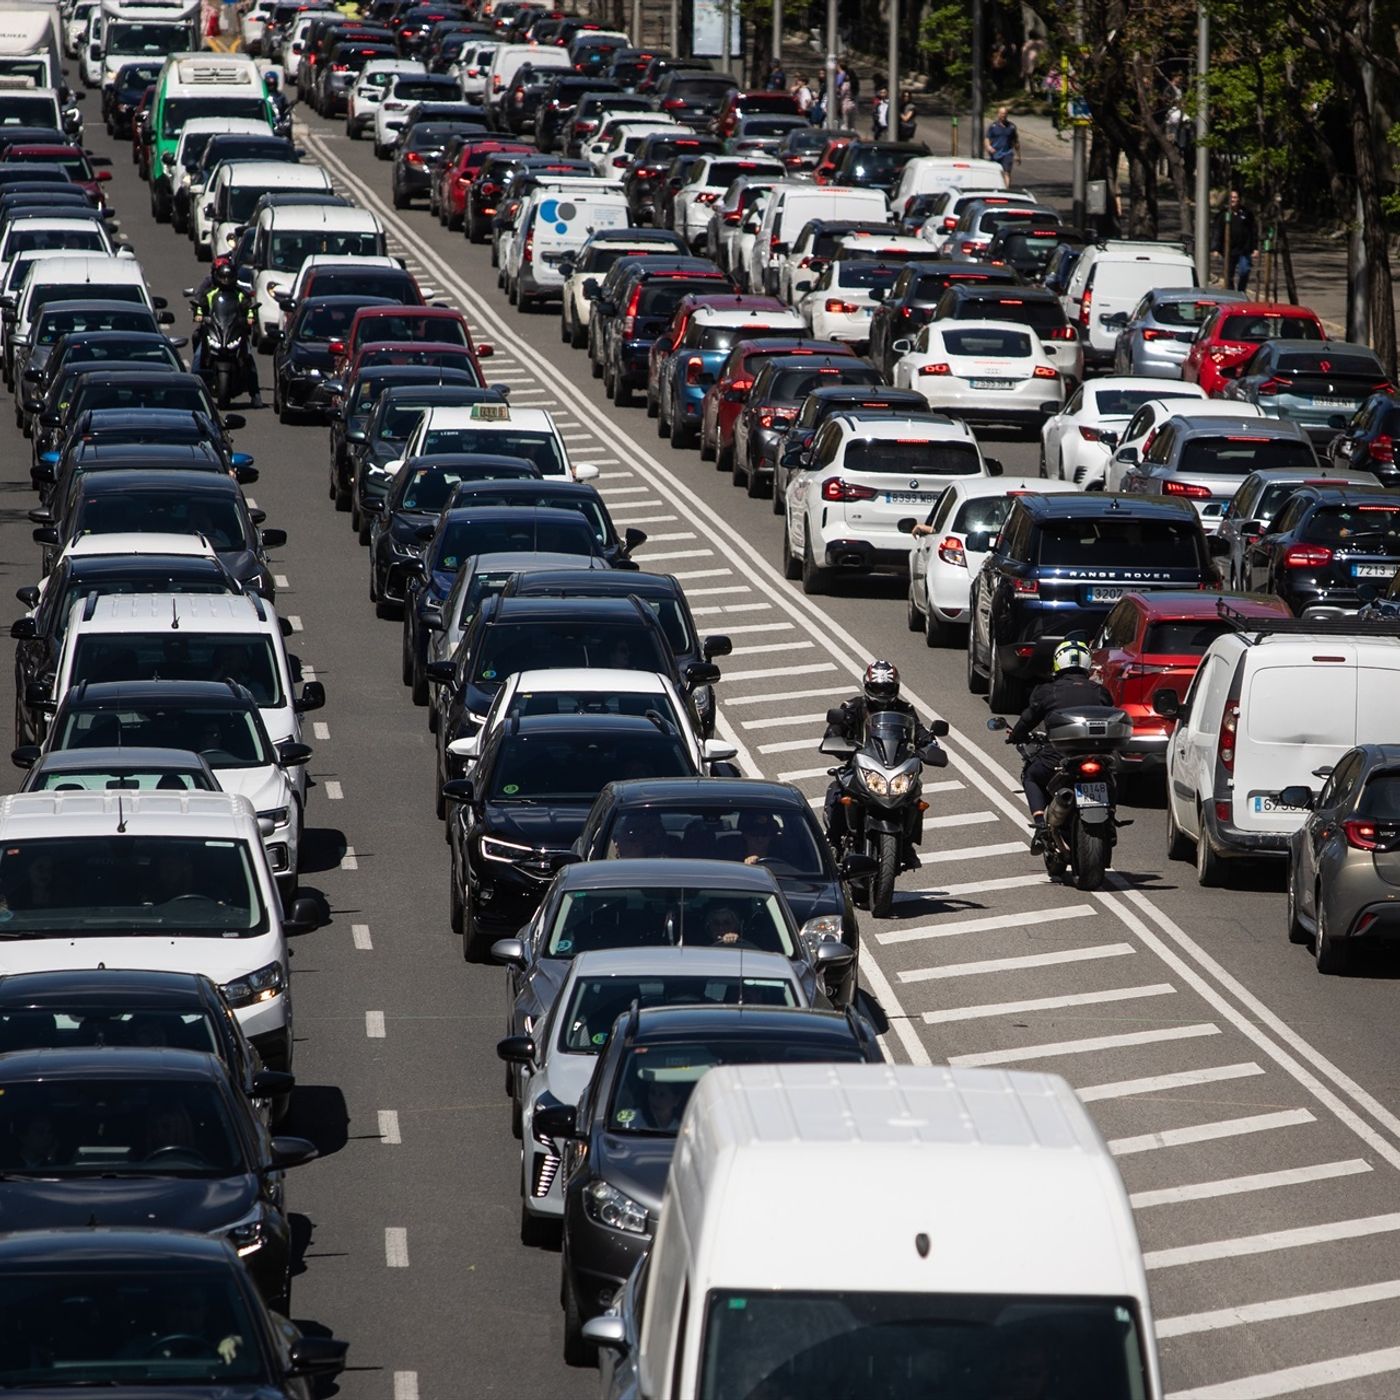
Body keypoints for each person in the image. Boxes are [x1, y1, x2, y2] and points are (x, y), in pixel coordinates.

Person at [1007, 640, 1113, 844]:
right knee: (1110, 777)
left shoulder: (1047, 691)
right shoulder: (1100, 692)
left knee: (1031, 776)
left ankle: (1040, 824)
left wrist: (1015, 736)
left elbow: (1028, 720)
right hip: (1097, 754)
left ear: (1058, 663)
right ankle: (1110, 815)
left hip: (1058, 756)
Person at [823, 661, 939, 845]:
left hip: (896, 764)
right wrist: (839, 741)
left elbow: (920, 731)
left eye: (887, 688)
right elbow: (834, 729)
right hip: (862, 763)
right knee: (838, 791)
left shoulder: (905, 710)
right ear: (867, 685)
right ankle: (832, 841)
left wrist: (930, 745)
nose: (883, 693)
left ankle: (907, 844)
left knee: (914, 797)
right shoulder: (853, 707)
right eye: (877, 688)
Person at [192, 261, 262, 408]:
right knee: (198, 354)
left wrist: (250, 317)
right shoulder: (211, 293)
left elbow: (249, 307)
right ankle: (194, 392)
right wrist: (199, 315)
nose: (226, 281)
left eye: (228, 277)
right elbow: (201, 305)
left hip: (235, 330)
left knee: (248, 358)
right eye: (223, 277)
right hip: (215, 329)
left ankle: (255, 394)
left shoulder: (241, 294)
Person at [1212, 189, 1258, 293]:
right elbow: (1217, 231)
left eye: (1235, 197)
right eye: (1231, 197)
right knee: (1228, 274)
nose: (1233, 200)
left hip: (1244, 250)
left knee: (1244, 270)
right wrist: (1215, 248)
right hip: (1228, 250)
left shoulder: (1246, 214)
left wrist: (1255, 248)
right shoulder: (1223, 214)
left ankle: (1241, 291)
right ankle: (1231, 293)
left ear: (1239, 199)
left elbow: (1253, 231)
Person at [985, 105, 1021, 176]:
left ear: (1007, 114)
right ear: (998, 114)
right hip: (995, 154)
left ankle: (1006, 187)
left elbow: (1016, 141)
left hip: (1007, 153)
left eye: (1004, 113)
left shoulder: (1012, 127)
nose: (1003, 115)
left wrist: (1018, 155)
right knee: (995, 174)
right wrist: (988, 146)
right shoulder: (993, 126)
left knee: (1007, 173)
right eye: (1001, 113)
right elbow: (987, 138)